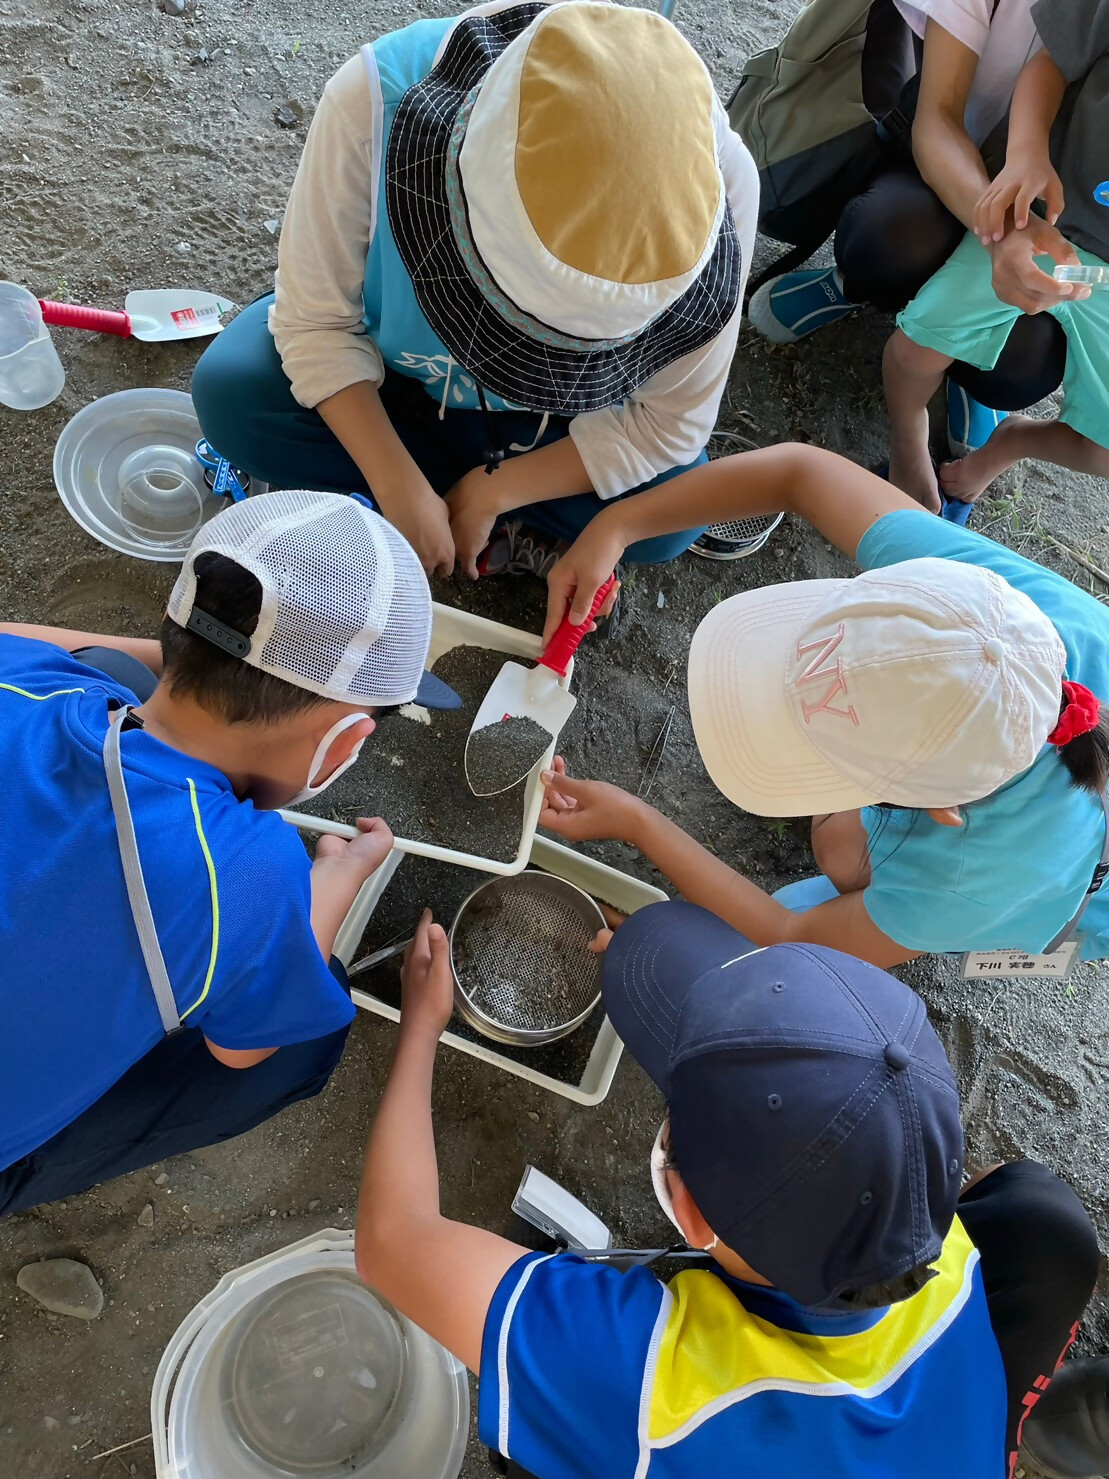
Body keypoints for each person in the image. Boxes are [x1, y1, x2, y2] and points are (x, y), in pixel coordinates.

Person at [353, 903, 1101, 1479]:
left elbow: (393, 1241)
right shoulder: (949, 1244)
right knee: (1038, 1214)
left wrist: (421, 1027)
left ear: (692, 1213)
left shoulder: (656, 1387)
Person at [0, 489, 460, 1216]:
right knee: (309, 1017)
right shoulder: (251, 872)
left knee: (103, 673)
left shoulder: (22, 679)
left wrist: (203, 672)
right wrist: (334, 879)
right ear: (346, 744)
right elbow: (239, 1055)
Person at [190, 0, 759, 580]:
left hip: (547, 435)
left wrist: (494, 492)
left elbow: (669, 426)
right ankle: (433, 502)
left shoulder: (725, 193)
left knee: (673, 512)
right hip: (398, 386)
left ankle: (458, 507)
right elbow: (314, 324)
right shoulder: (374, 103)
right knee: (231, 391)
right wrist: (397, 484)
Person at [536, 442, 1109, 968]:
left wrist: (639, 823)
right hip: (996, 816)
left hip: (1068, 897)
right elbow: (798, 472)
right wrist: (616, 526)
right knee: (837, 850)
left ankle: (953, 924)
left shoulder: (969, 883)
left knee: (782, 959)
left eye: (835, 763)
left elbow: (788, 931)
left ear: (939, 809)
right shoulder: (989, 612)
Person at [747, 0, 1075, 463]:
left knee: (1023, 367)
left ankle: (964, 360)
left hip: (1054, 219)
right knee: (885, 241)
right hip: (946, 167)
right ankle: (855, 286)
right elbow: (937, 115)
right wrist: (1001, 231)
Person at [882, 0, 1109, 514]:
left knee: (1105, 450)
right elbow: (1050, 60)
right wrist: (1026, 151)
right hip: (1046, 218)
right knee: (917, 344)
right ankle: (907, 431)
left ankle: (1014, 442)